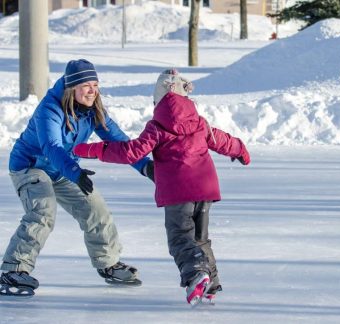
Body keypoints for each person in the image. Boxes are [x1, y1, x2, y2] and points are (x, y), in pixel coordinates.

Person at [73, 69, 251, 305]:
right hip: (205, 189)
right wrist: (240, 150)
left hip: (178, 193)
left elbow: (131, 151)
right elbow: (221, 140)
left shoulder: (157, 127)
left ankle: (197, 274)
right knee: (200, 239)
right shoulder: (199, 123)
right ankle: (211, 284)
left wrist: (89, 149)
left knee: (180, 238)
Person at [0, 59, 154, 297]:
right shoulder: (50, 109)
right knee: (42, 211)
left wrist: (146, 168)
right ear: (72, 87)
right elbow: (51, 146)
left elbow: (120, 142)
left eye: (95, 84)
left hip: (63, 169)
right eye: (86, 85)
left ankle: (108, 264)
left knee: (96, 209)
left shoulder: (94, 111)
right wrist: (75, 172)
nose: (92, 90)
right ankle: (14, 269)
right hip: (30, 167)